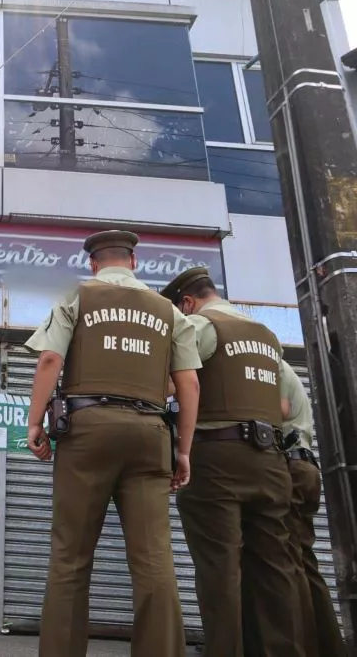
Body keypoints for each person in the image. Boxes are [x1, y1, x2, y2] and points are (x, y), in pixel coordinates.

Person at [24, 230, 201, 657]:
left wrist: (34, 422)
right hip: (150, 433)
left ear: (93, 263)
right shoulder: (169, 311)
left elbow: (50, 359)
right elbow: (189, 384)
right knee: (154, 561)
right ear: (134, 262)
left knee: (70, 557)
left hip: (87, 431)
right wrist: (183, 451)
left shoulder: (78, 297)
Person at [162, 266, 303, 657]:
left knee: (219, 569)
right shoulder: (266, 336)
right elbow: (285, 406)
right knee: (275, 569)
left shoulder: (199, 326)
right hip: (271, 461)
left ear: (187, 303)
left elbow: (172, 382)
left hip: (218, 459)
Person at [242, 362, 346, 657]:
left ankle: (301, 648)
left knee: (286, 565)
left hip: (289, 467)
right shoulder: (283, 369)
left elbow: (281, 408)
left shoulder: (268, 362)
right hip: (304, 466)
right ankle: (330, 647)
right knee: (303, 562)